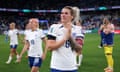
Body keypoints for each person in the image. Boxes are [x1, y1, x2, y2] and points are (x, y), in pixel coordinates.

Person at [47, 6, 82, 72]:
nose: (63, 15)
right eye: (62, 13)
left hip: (72, 67)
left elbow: (79, 49)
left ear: (72, 16)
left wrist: (70, 37)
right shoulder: (54, 27)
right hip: (56, 67)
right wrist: (64, 38)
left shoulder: (78, 29)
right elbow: (50, 47)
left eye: (66, 13)